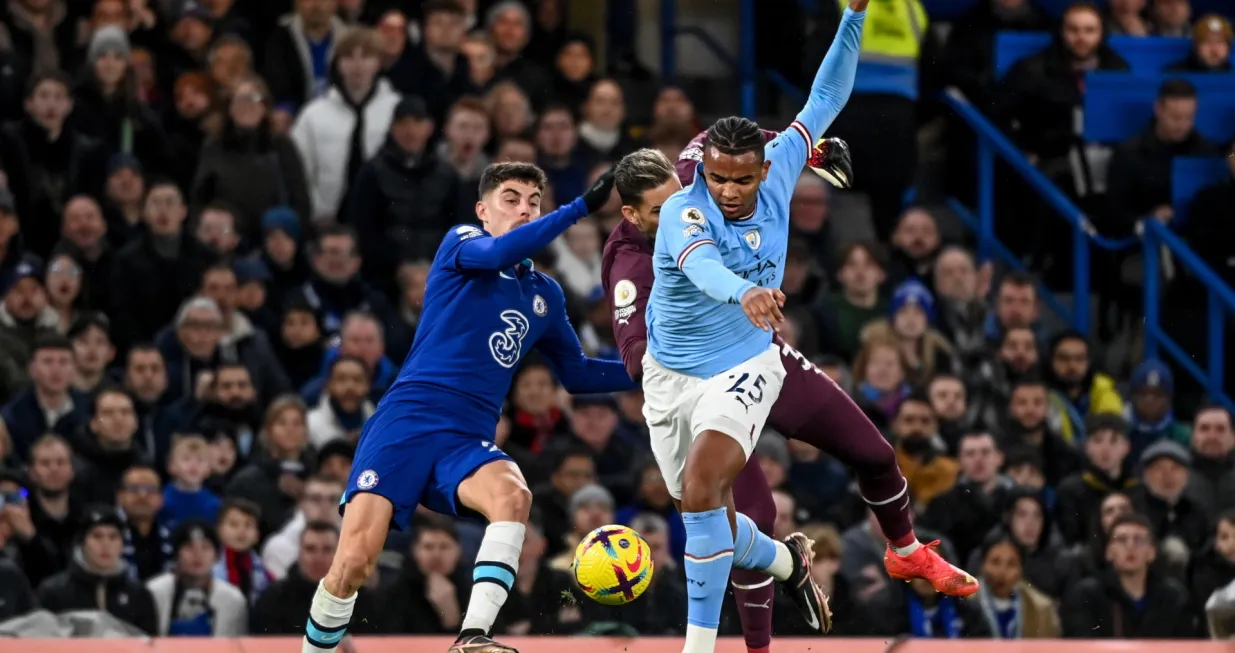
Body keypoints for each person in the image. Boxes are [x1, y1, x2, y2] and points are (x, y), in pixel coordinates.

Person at [632, 5, 915, 650]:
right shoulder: (683, 208)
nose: (728, 191)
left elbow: (828, 94)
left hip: (746, 362)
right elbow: (701, 267)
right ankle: (789, 563)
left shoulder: (785, 160)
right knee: (709, 520)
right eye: (718, 178)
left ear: (766, 168)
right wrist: (748, 291)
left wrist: (853, 15)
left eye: (742, 179)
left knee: (704, 488)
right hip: (670, 374)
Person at [301, 161, 627, 653]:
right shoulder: (462, 242)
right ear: (483, 210)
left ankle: (472, 638)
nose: (524, 210)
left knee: (514, 496)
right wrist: (579, 208)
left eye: (533, 202)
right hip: (407, 422)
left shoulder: (544, 294)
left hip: (468, 436)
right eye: (511, 200)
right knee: (354, 564)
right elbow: (502, 250)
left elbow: (577, 373)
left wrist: (654, 367)